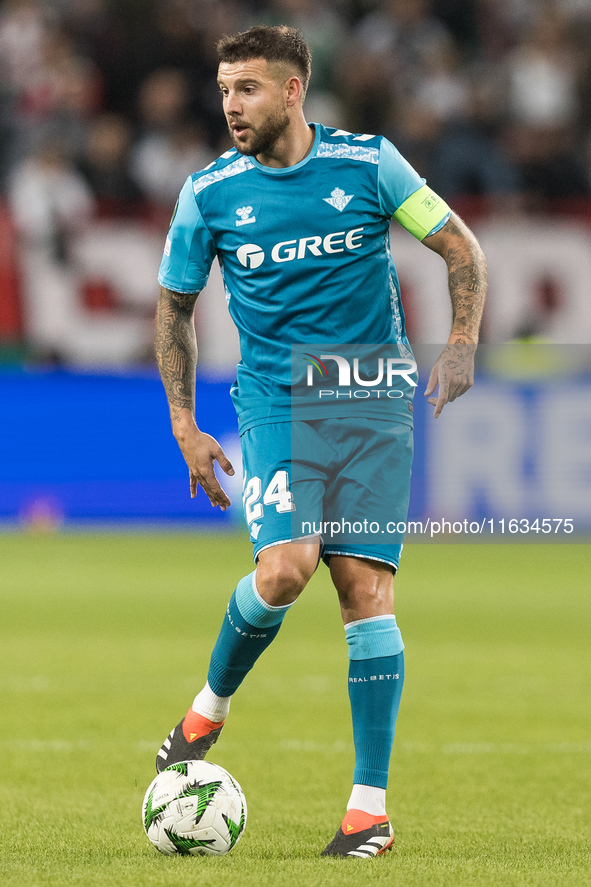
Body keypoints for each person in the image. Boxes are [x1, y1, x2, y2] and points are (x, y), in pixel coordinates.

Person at [154, 25, 486, 859]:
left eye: (249, 90)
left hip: (372, 398)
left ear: (293, 91)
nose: (231, 106)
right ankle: (208, 705)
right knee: (283, 569)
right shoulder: (208, 192)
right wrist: (185, 425)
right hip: (277, 402)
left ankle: (366, 811)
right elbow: (173, 308)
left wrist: (462, 340)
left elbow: (458, 247)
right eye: (225, 90)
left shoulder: (369, 164)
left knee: (362, 591)